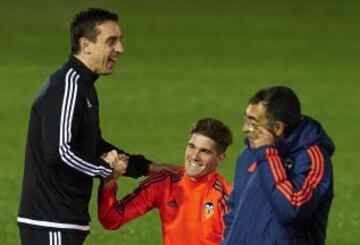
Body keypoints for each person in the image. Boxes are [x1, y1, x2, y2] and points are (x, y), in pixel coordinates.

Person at [17, 8, 175, 245]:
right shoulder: (67, 86)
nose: (120, 49)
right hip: (51, 221)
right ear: (86, 44)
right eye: (111, 41)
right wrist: (106, 171)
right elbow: (60, 152)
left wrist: (146, 167)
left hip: (64, 220)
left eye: (119, 40)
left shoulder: (84, 86)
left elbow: (94, 146)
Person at [222, 86, 335, 245]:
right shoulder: (247, 155)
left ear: (277, 128)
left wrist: (268, 154)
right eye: (246, 119)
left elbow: (291, 208)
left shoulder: (313, 159)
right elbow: (233, 211)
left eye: (253, 122)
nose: (245, 129)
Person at [98, 117, 233, 245]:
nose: (194, 156)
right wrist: (110, 181)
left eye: (205, 151)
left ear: (220, 158)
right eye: (191, 146)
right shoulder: (165, 182)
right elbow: (112, 219)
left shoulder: (226, 197)